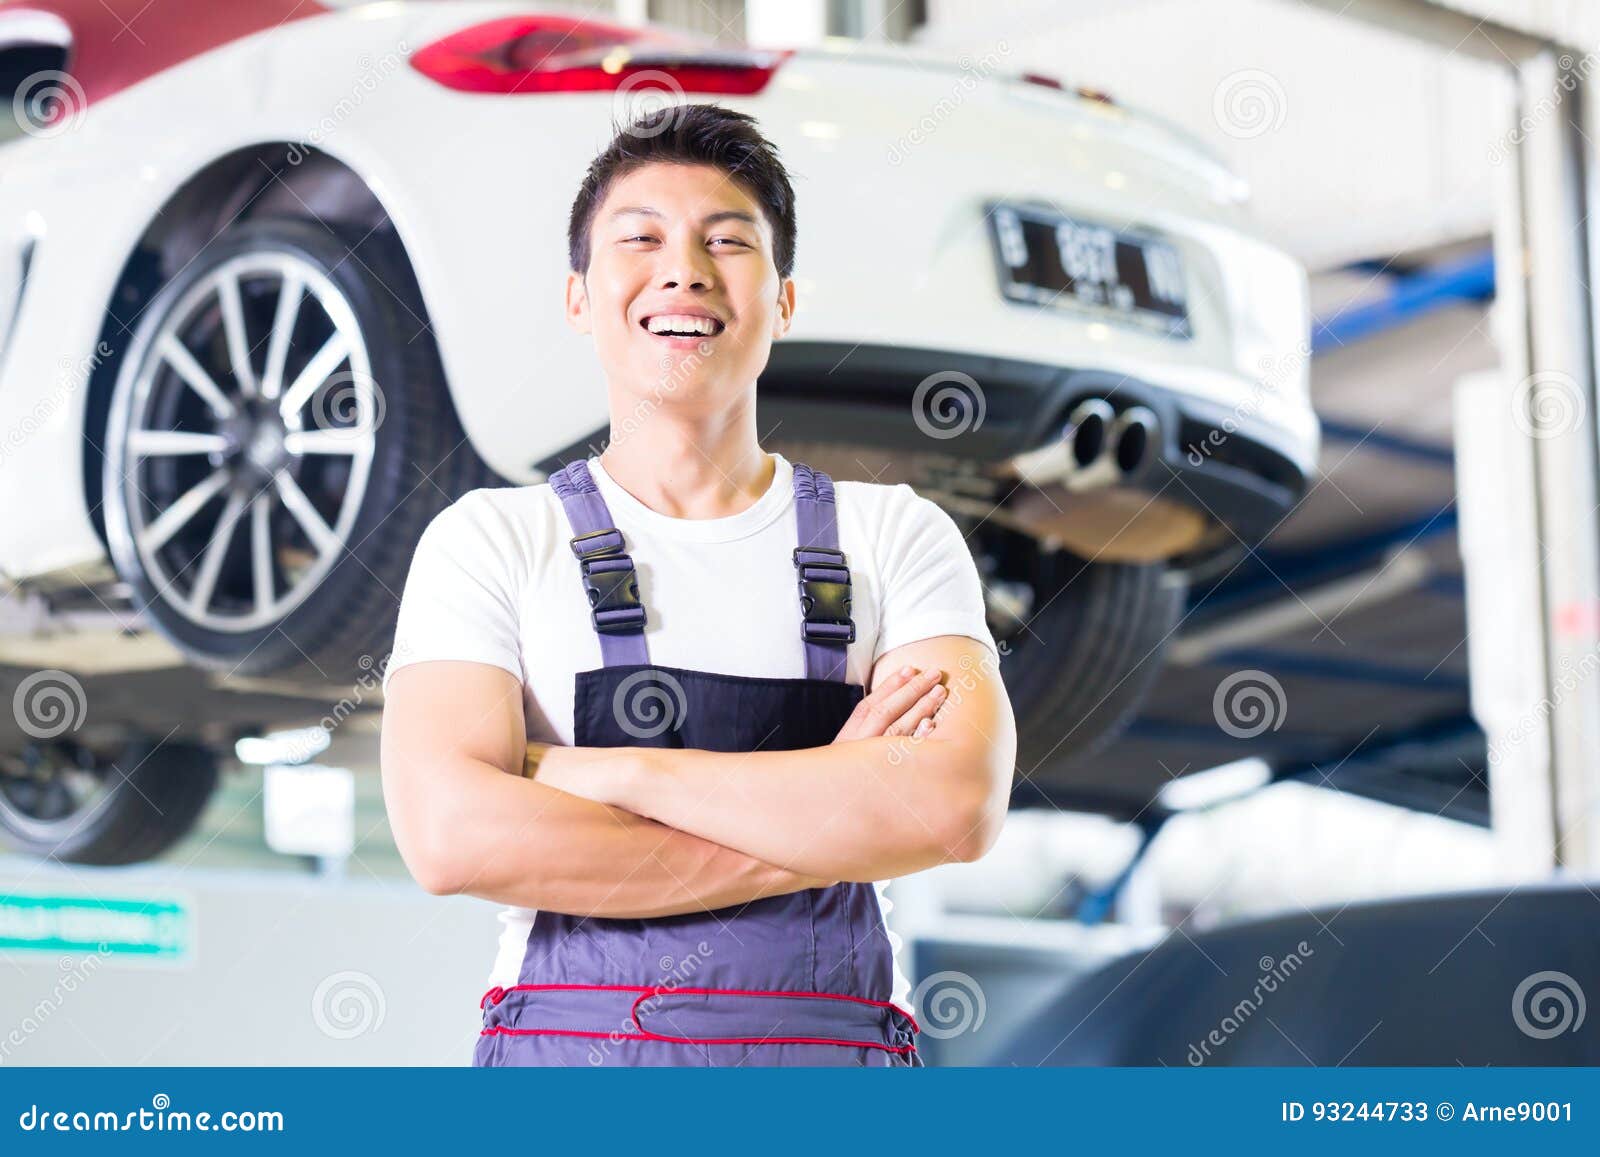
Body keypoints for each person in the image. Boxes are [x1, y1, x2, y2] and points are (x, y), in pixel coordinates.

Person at [379, 103, 1016, 1067]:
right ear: (579, 298)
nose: (684, 268)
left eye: (729, 240)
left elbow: (953, 808)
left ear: (786, 301)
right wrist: (835, 816)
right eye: (641, 238)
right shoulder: (491, 541)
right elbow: (452, 837)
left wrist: (614, 773)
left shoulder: (893, 535)